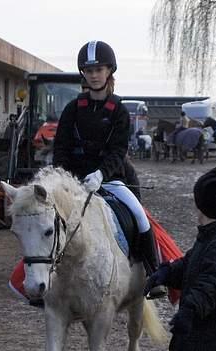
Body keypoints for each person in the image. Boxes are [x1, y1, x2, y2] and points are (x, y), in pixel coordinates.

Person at [53, 40, 160, 277]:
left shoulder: (119, 110)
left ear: (109, 70)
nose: (94, 75)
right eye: (89, 71)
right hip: (74, 181)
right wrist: (64, 178)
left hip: (110, 178)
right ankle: (39, 280)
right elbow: (61, 148)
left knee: (141, 218)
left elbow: (118, 151)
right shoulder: (72, 109)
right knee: (44, 221)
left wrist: (101, 174)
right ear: (84, 73)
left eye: (99, 70)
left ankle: (152, 273)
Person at [144, 167, 216, 351]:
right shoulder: (212, 235)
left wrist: (190, 310)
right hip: (203, 335)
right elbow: (191, 264)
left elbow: (215, 284)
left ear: (200, 203)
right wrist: (167, 272)